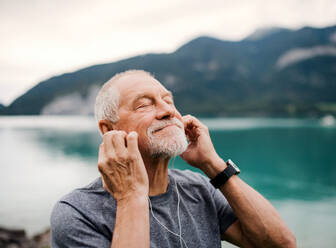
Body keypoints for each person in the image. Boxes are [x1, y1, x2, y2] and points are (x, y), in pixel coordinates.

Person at [50, 70, 296, 248]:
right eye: (144, 105)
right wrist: (131, 196)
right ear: (108, 130)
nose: (168, 111)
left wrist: (213, 165)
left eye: (168, 101)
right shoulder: (77, 213)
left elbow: (281, 244)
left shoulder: (199, 189)